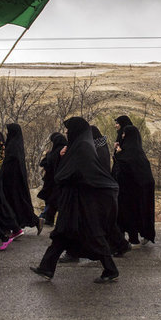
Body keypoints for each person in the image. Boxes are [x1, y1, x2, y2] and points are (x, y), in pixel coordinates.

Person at [30, 117, 120, 284]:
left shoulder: (83, 148)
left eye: (68, 129)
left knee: (93, 236)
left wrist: (63, 161)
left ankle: (111, 269)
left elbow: (68, 175)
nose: (66, 132)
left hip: (83, 204)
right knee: (62, 234)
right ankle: (46, 268)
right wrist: (61, 156)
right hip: (74, 202)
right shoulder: (78, 147)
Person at [113, 125, 156, 245]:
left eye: (124, 134)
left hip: (129, 193)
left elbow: (126, 168)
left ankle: (125, 241)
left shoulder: (130, 153)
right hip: (136, 192)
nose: (122, 136)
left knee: (126, 215)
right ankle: (132, 238)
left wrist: (119, 154)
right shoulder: (138, 152)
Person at [0, 123, 43, 235]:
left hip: (12, 182)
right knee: (17, 204)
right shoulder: (16, 144)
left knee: (16, 203)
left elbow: (10, 164)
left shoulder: (13, 146)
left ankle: (32, 222)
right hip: (13, 182)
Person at [38, 132, 68, 227]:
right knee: (55, 201)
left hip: (51, 182)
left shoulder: (53, 153)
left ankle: (41, 218)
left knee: (51, 201)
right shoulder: (65, 151)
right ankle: (48, 220)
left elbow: (43, 163)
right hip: (59, 182)